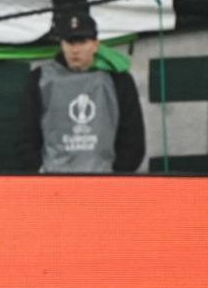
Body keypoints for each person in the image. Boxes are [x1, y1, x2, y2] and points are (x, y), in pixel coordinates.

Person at [17, 12, 145, 173]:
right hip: (53, 183)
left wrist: (116, 176)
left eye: (82, 42)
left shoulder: (118, 79)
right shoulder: (40, 79)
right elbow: (26, 135)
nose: (75, 49)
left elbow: (133, 137)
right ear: (61, 44)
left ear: (95, 45)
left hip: (105, 183)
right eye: (69, 42)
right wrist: (40, 173)